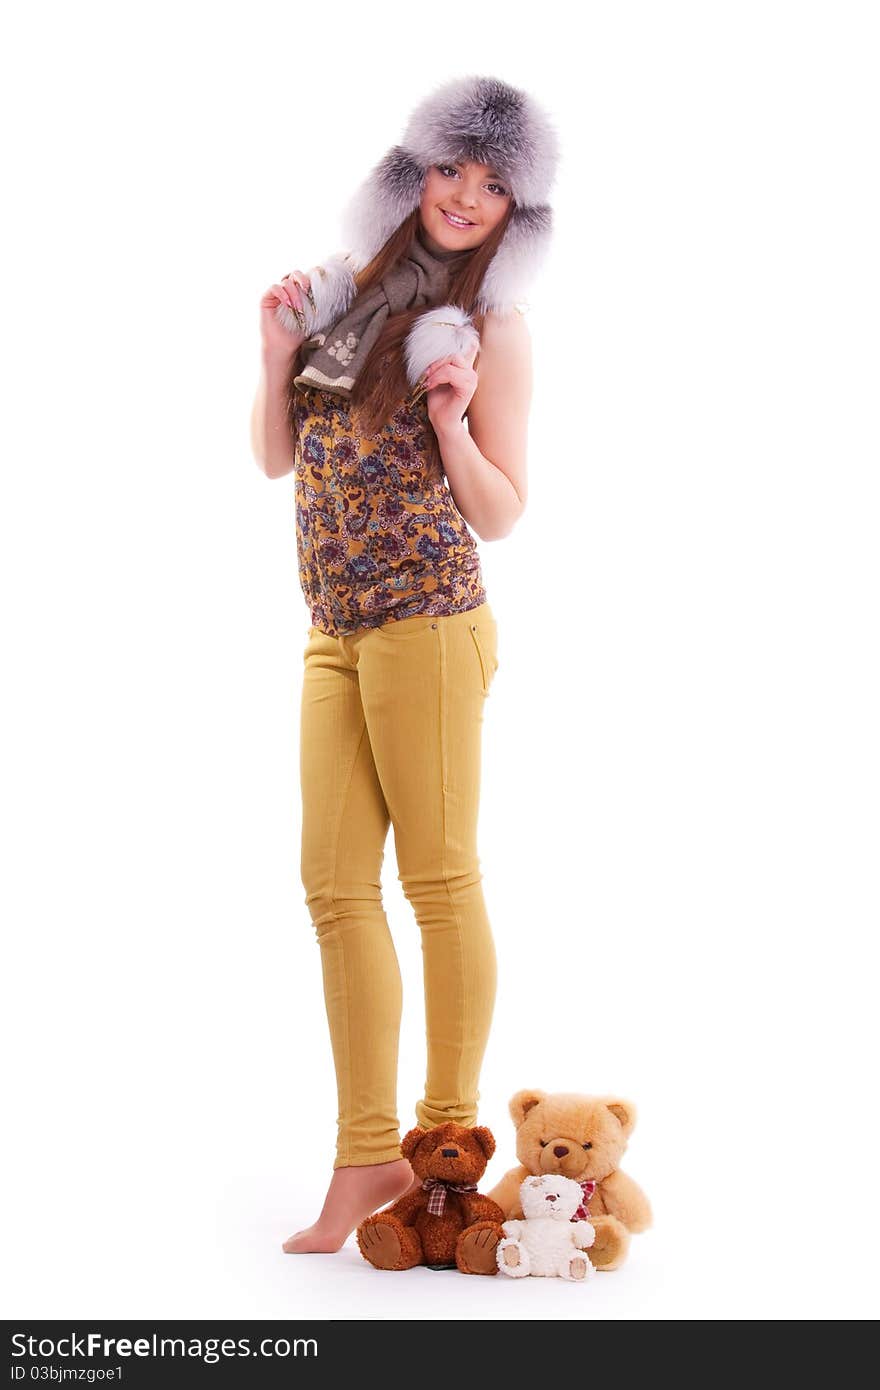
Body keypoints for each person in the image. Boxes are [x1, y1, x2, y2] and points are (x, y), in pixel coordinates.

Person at [249, 75, 559, 1254]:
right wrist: (272, 351)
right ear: (411, 172)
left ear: (516, 214)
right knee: (333, 888)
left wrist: (448, 420)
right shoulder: (346, 296)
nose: (467, 197)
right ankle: (364, 1154)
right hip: (332, 628)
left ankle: (447, 1152)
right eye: (450, 169)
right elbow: (276, 458)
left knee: (438, 883)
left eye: (494, 185)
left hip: (430, 625)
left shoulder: (494, 332)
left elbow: (502, 513)